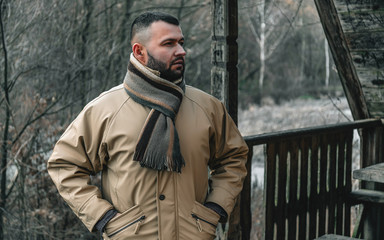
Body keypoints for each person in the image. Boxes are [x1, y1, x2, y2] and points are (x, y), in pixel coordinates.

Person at [47, 11, 248, 240]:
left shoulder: (207, 107)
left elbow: (234, 157)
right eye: (169, 43)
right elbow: (64, 164)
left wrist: (215, 209)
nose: (181, 51)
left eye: (181, 43)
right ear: (139, 51)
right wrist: (105, 218)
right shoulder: (106, 110)